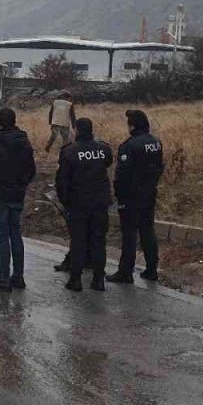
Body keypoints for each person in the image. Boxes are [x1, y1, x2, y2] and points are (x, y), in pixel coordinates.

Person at [0, 108, 36, 292]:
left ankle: (3, 280)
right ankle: (18, 276)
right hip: (17, 194)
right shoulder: (24, 141)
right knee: (16, 234)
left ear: (0, 122)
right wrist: (21, 185)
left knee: (3, 237)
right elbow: (31, 169)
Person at [55, 118, 114, 292]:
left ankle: (76, 280)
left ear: (76, 130)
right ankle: (98, 280)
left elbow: (62, 182)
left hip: (78, 204)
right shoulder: (104, 149)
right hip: (100, 203)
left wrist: (66, 203)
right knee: (98, 241)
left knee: (79, 241)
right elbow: (108, 163)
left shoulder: (69, 152)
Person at [108, 110, 165, 284]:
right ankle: (151, 270)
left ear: (132, 125)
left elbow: (122, 175)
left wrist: (119, 195)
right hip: (149, 193)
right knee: (148, 231)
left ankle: (125, 272)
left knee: (129, 235)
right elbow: (160, 167)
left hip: (131, 196)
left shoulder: (129, 145)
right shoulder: (156, 142)